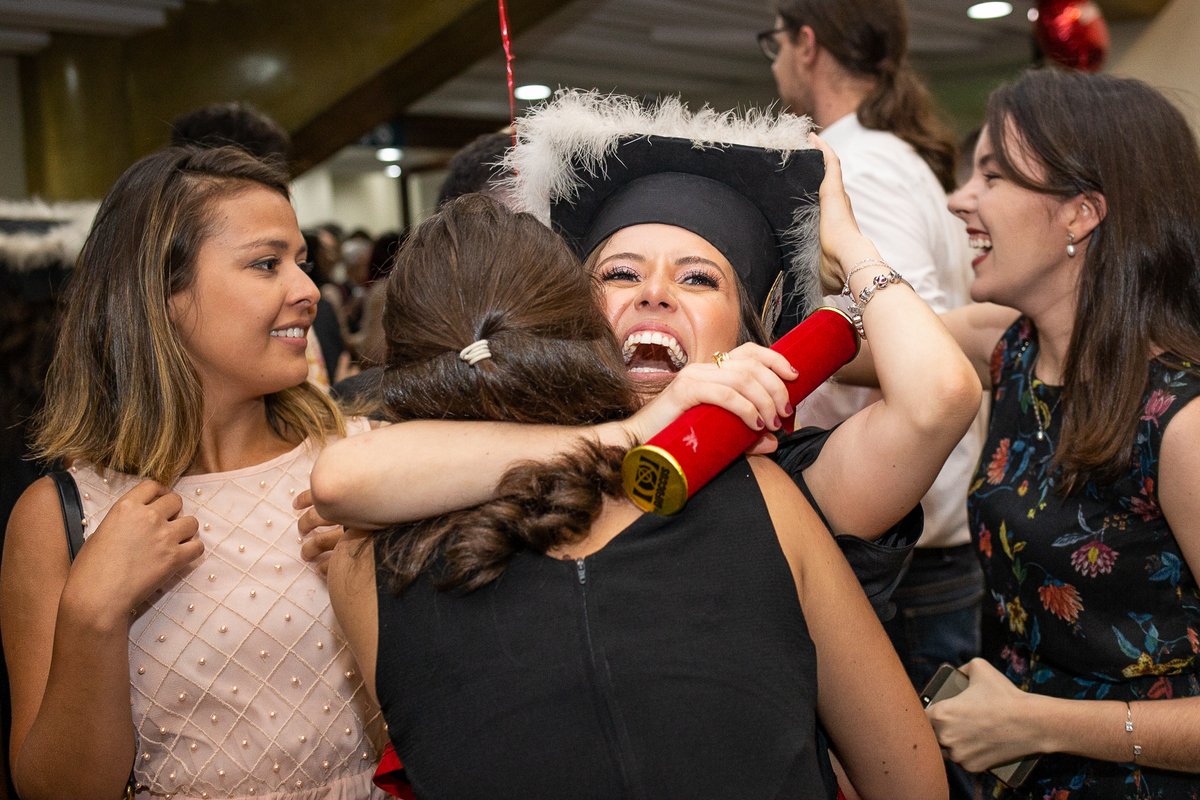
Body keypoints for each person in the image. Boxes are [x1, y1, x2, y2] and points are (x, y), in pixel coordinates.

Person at [327, 190, 947, 799]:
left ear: (749, 340)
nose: (654, 292)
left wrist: (854, 254)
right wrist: (635, 431)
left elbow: (936, 400)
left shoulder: (777, 483)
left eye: (698, 279)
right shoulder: (411, 511)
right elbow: (343, 480)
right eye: (621, 274)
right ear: (572, 323)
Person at [1, 146, 385, 799]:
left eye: (301, 262)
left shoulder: (364, 469)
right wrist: (93, 611)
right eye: (266, 264)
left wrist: (376, 586)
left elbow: (455, 724)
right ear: (162, 295)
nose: (308, 291)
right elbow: (56, 791)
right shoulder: (60, 516)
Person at [889, 69, 1200, 798]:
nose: (959, 198)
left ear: (1080, 214)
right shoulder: (1011, 349)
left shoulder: (1183, 425)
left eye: (993, 175)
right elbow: (864, 342)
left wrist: (1041, 724)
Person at [762, 12, 986, 794]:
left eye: (774, 41)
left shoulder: (856, 163)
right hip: (913, 523)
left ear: (806, 43)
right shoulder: (883, 153)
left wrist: (771, 355)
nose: (774, 61)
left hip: (903, 548)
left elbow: (908, 341)